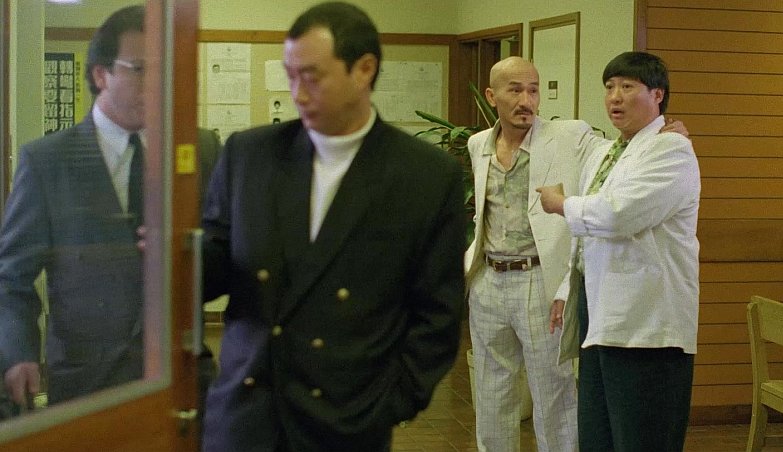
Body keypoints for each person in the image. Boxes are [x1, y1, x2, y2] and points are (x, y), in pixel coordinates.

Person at [199, 3, 466, 452]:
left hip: (348, 421)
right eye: (290, 76)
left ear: (364, 70)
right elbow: (215, 263)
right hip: (246, 415)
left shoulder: (424, 175)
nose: (297, 94)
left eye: (312, 77)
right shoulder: (251, 156)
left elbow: (438, 314)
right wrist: (170, 253)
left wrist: (390, 402)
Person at [538, 51, 700, 451]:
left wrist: (562, 204)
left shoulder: (671, 149)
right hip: (600, 311)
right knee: (598, 435)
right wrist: (567, 288)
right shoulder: (607, 150)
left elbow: (617, 215)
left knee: (640, 438)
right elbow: (588, 238)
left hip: (648, 323)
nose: (615, 96)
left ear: (657, 95)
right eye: (610, 87)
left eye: (628, 87)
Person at [0, 5, 146, 408]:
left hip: (178, 380)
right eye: (140, 69)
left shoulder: (196, 151)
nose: (158, 85)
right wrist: (19, 354)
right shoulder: (48, 162)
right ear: (101, 75)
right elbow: (11, 277)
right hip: (87, 382)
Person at [465, 56, 591, 452]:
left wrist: (662, 134)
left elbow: (617, 151)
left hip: (539, 280)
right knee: (492, 395)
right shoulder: (478, 145)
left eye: (533, 90)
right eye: (515, 90)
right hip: (488, 280)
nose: (527, 100)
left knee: (553, 394)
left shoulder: (568, 135)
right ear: (492, 96)